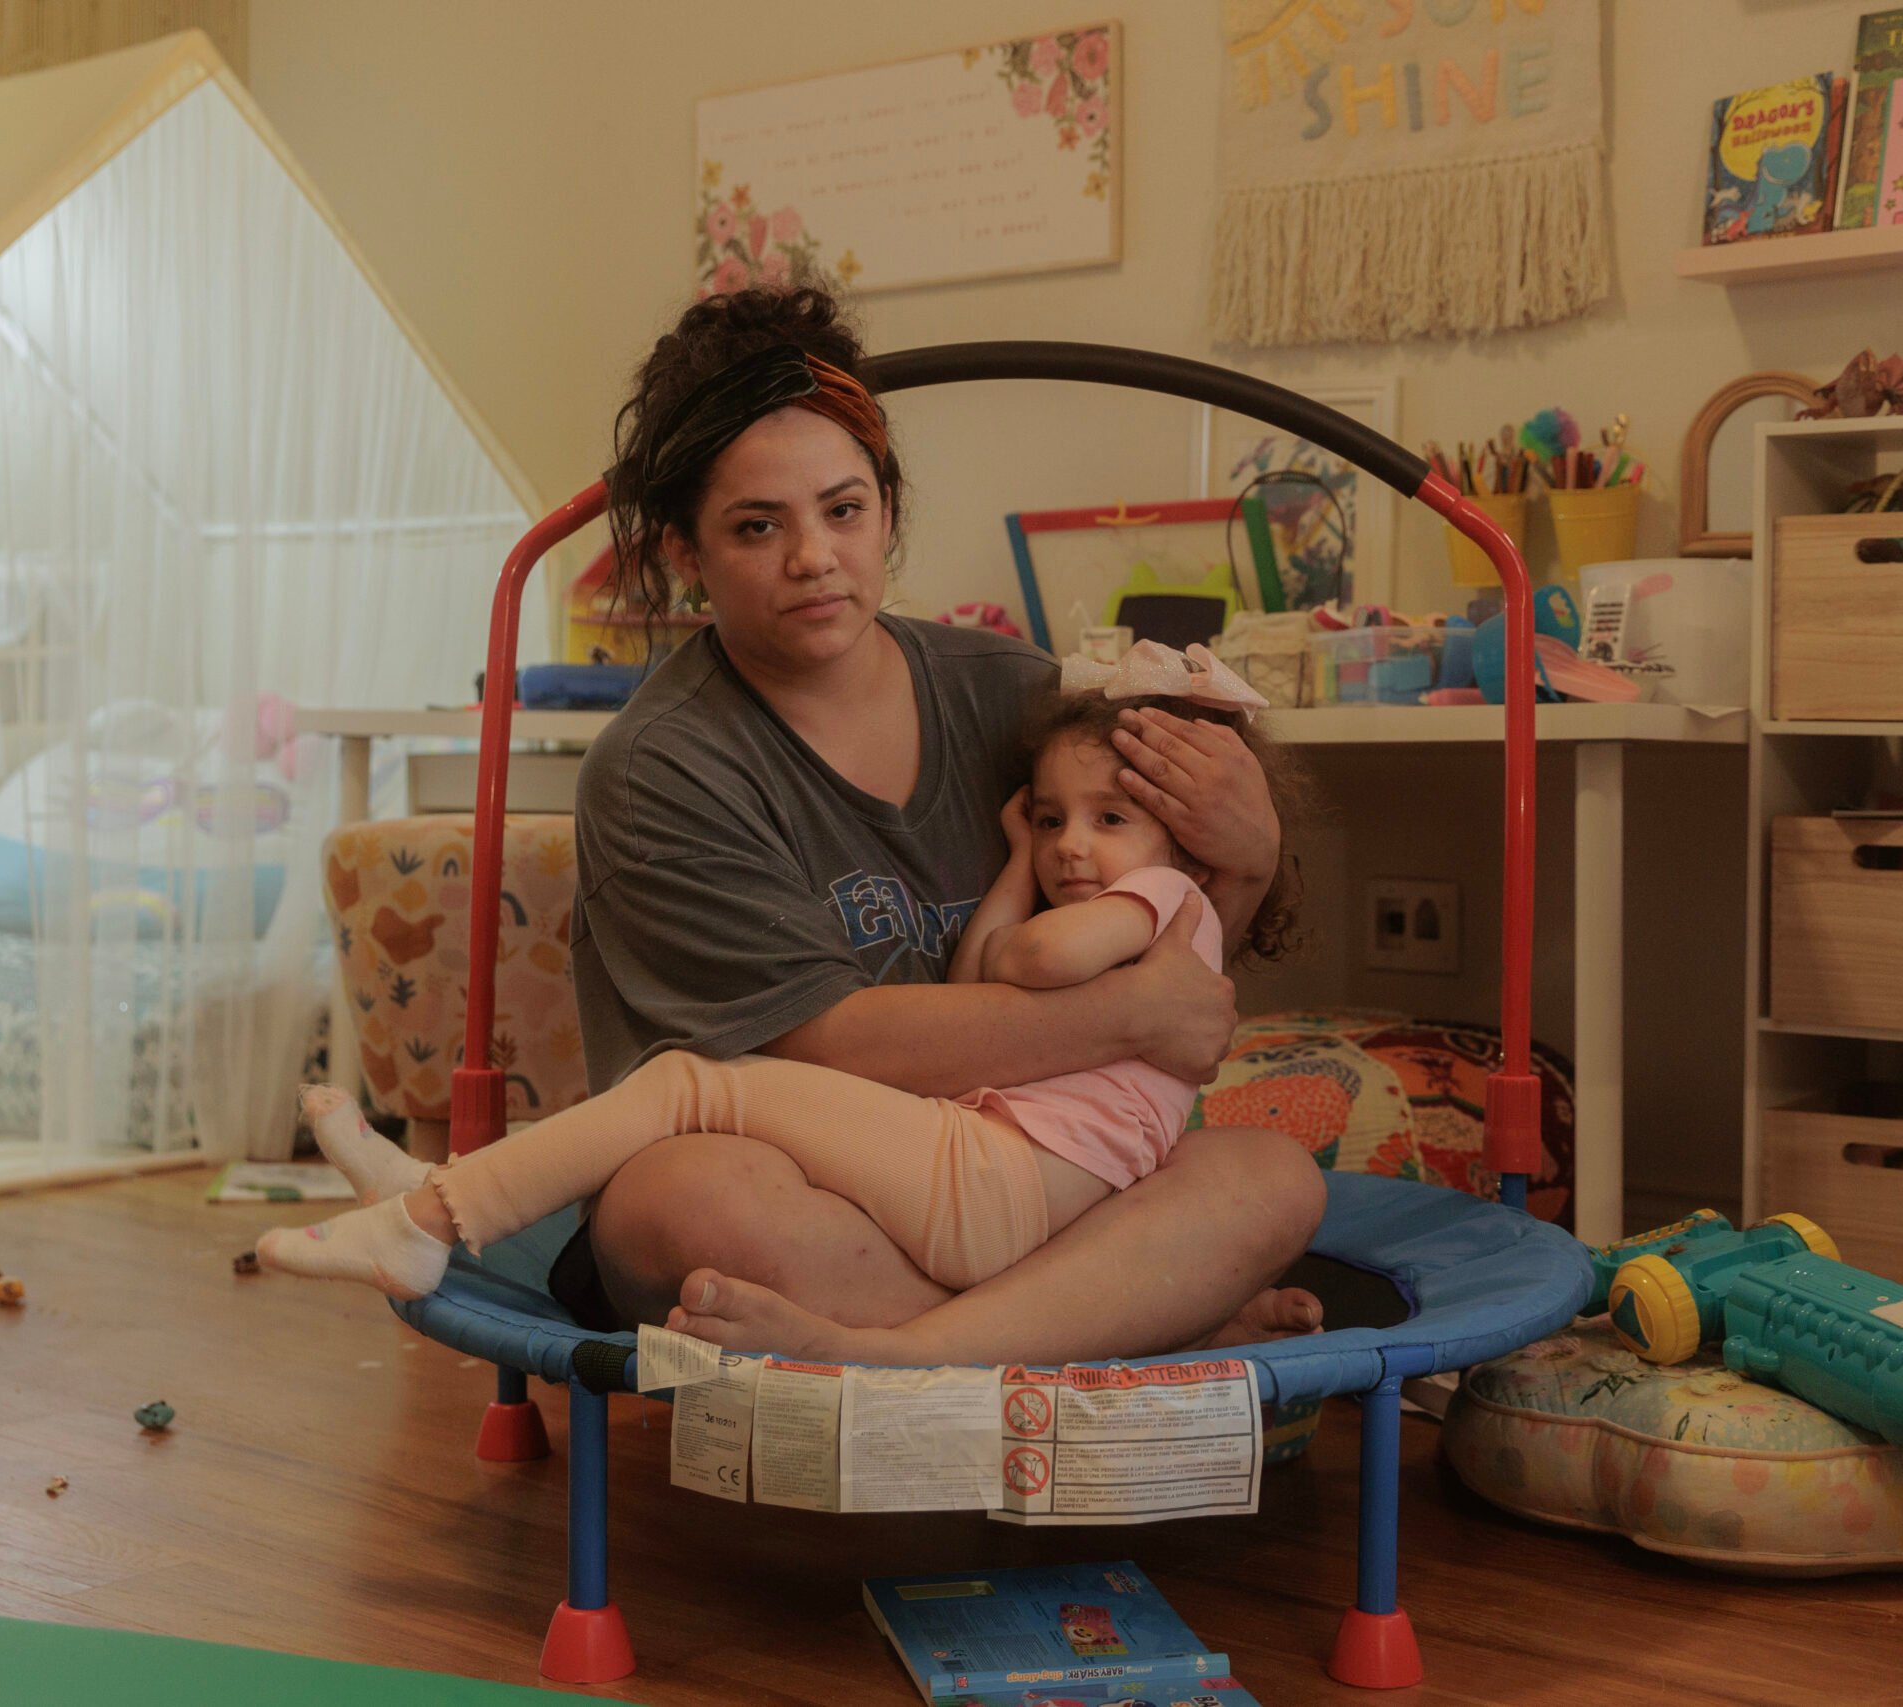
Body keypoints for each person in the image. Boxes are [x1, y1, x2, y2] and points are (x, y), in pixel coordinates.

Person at [307, 287, 1324, 1367]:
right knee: (686, 1206)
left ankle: (901, 1351)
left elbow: (1184, 988)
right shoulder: (663, 767)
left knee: (1270, 1178)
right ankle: (1115, 1315)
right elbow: (818, 1046)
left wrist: (1249, 859)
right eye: (758, 526)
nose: (813, 558)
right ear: (684, 552)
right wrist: (1124, 1021)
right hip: (819, 1184)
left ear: (888, 508)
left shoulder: (1020, 698)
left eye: (843, 510)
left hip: (1035, 1173)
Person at [261, 667, 1311, 1372]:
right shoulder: (667, 758)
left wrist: (1238, 857)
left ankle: (433, 1214)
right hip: (993, 1179)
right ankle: (1139, 1322)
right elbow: (986, 964)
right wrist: (1023, 864)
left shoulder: (1159, 900)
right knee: (694, 1157)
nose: (1072, 848)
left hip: (1004, 1184)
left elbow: (1034, 961)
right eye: (1053, 820)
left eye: (1109, 821)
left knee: (691, 1081)